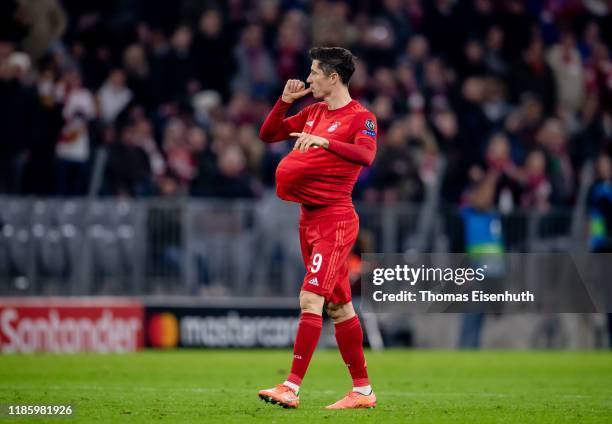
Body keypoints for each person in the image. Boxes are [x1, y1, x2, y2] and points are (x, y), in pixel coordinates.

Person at [257, 47, 377, 409]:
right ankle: (363, 391)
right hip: (309, 219)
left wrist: (327, 141)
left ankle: (291, 386)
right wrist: (283, 102)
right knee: (340, 308)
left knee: (311, 298)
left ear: (333, 77)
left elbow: (367, 155)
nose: (308, 79)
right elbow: (269, 134)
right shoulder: (313, 111)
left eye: (313, 73)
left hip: (335, 220)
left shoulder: (362, 117)